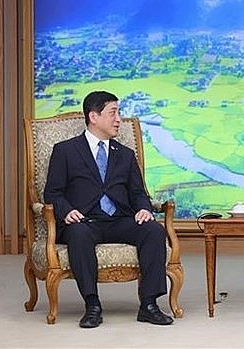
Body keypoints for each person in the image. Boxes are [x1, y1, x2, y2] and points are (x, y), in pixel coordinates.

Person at [44, 91, 174, 328]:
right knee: (79, 234)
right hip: (83, 222)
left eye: (119, 113)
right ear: (93, 116)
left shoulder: (125, 154)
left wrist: (144, 209)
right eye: (113, 112)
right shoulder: (65, 151)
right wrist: (67, 211)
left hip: (119, 220)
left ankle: (149, 304)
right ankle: (92, 305)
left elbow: (138, 193)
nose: (118, 119)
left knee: (153, 231)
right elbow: (53, 193)